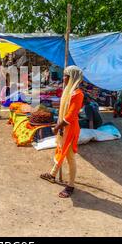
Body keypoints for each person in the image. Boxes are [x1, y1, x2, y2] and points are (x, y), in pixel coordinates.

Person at [40, 66, 84, 199]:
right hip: (65, 127)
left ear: (72, 78)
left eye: (66, 76)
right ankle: (53, 175)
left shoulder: (77, 94)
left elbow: (70, 116)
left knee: (69, 156)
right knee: (61, 150)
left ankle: (70, 186)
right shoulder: (69, 91)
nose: (63, 78)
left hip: (70, 128)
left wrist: (58, 126)